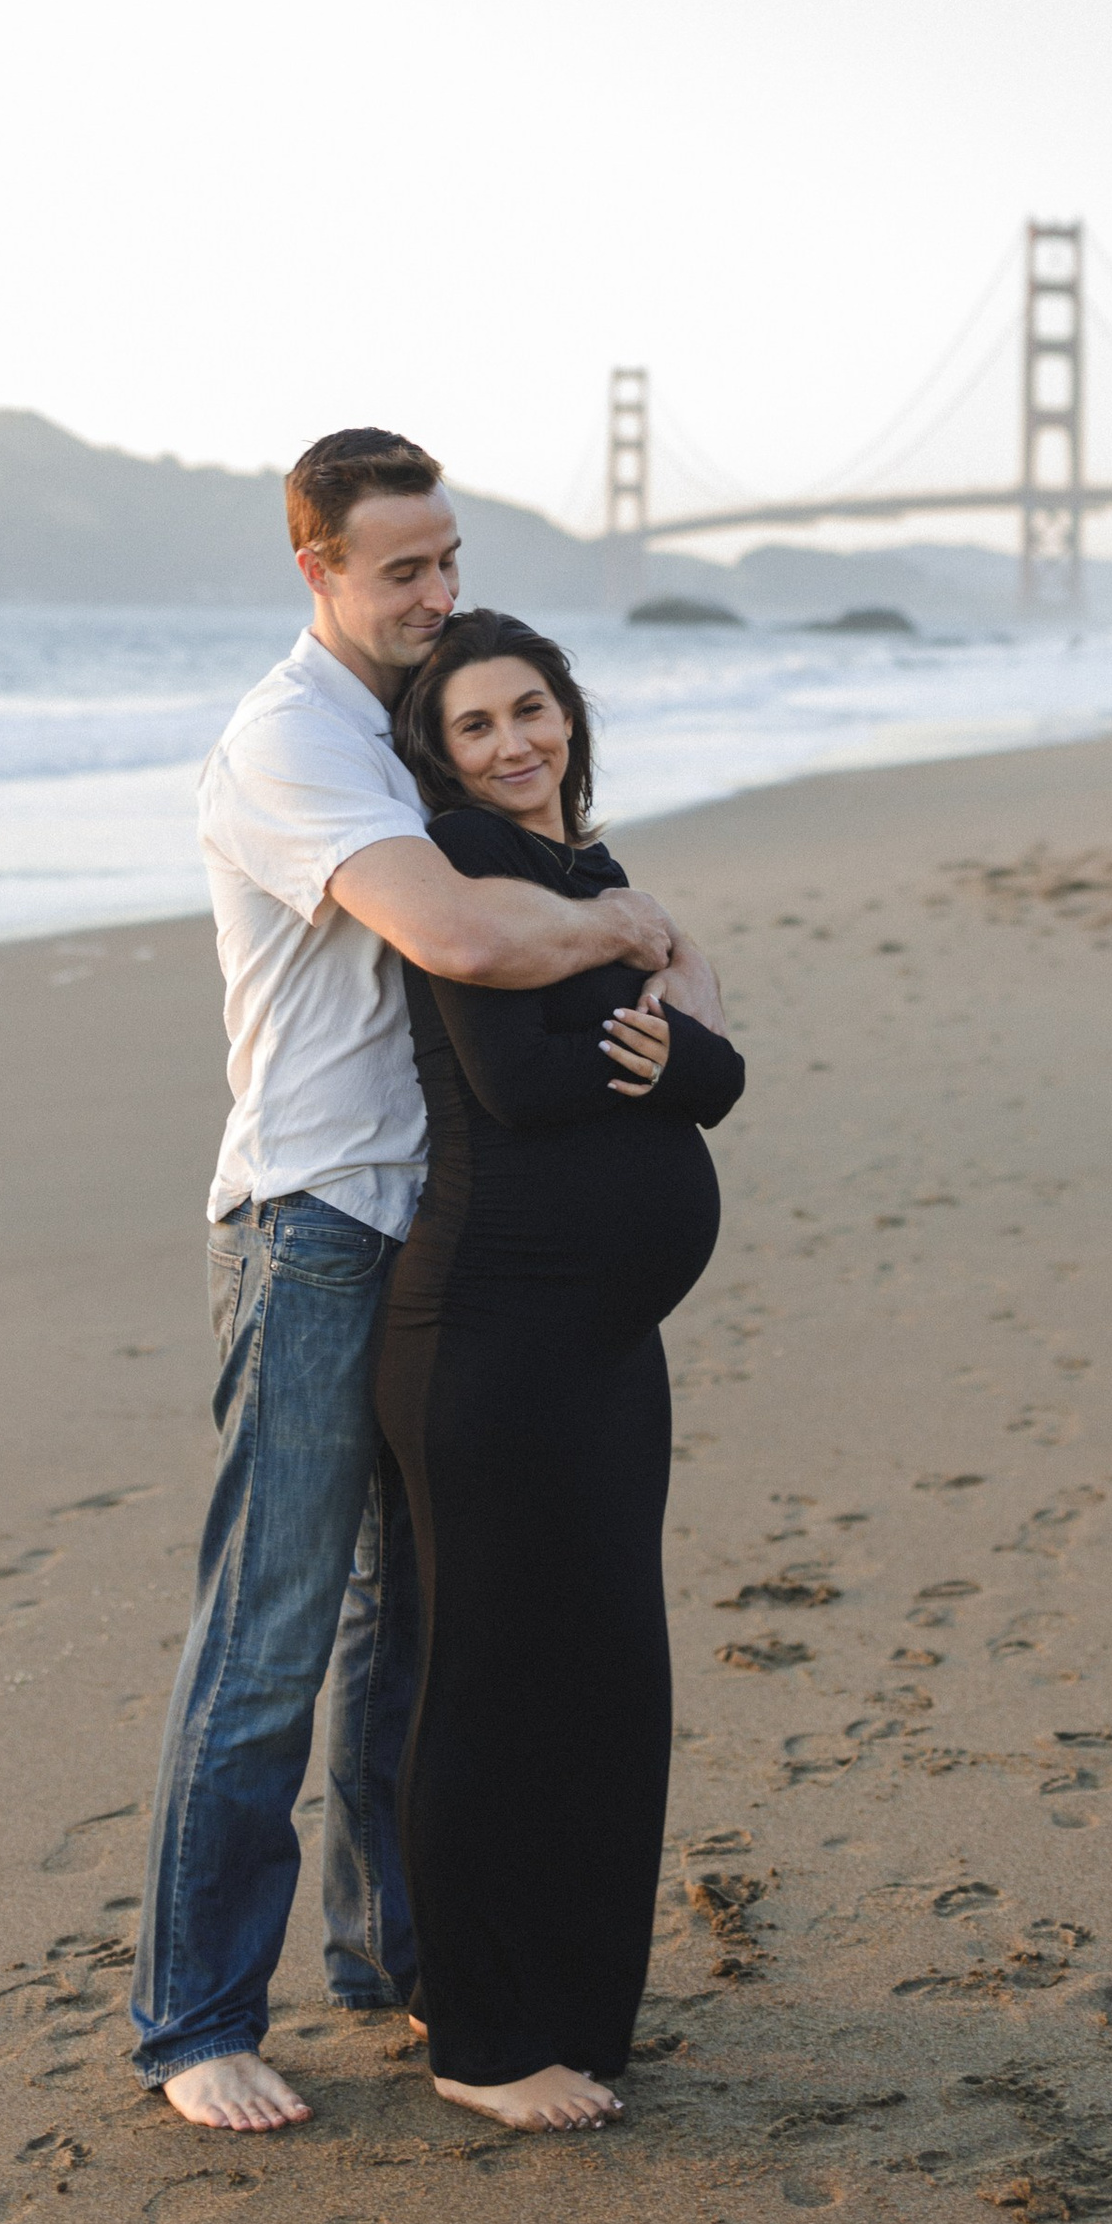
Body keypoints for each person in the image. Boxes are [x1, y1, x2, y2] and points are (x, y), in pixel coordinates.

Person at [130, 430, 711, 2137]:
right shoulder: (292, 743)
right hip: (316, 1221)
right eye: (403, 570)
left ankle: (396, 1961)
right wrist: (634, 926)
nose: (437, 594)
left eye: (449, 561)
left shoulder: (403, 731)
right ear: (315, 567)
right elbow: (466, 940)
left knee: (412, 1634)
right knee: (272, 1631)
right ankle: (196, 2020)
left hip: (436, 1236)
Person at [377, 609, 746, 2134]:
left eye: (534, 710)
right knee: (488, 1685)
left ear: (571, 720)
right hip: (489, 1340)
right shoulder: (467, 879)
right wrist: (657, 1036)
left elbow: (719, 1076)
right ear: (443, 759)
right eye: (477, 725)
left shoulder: (591, 881)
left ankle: (583, 2012)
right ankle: (476, 2036)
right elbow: (526, 1085)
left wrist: (676, 1053)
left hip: (605, 1343)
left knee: (612, 1680)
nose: (515, 742)